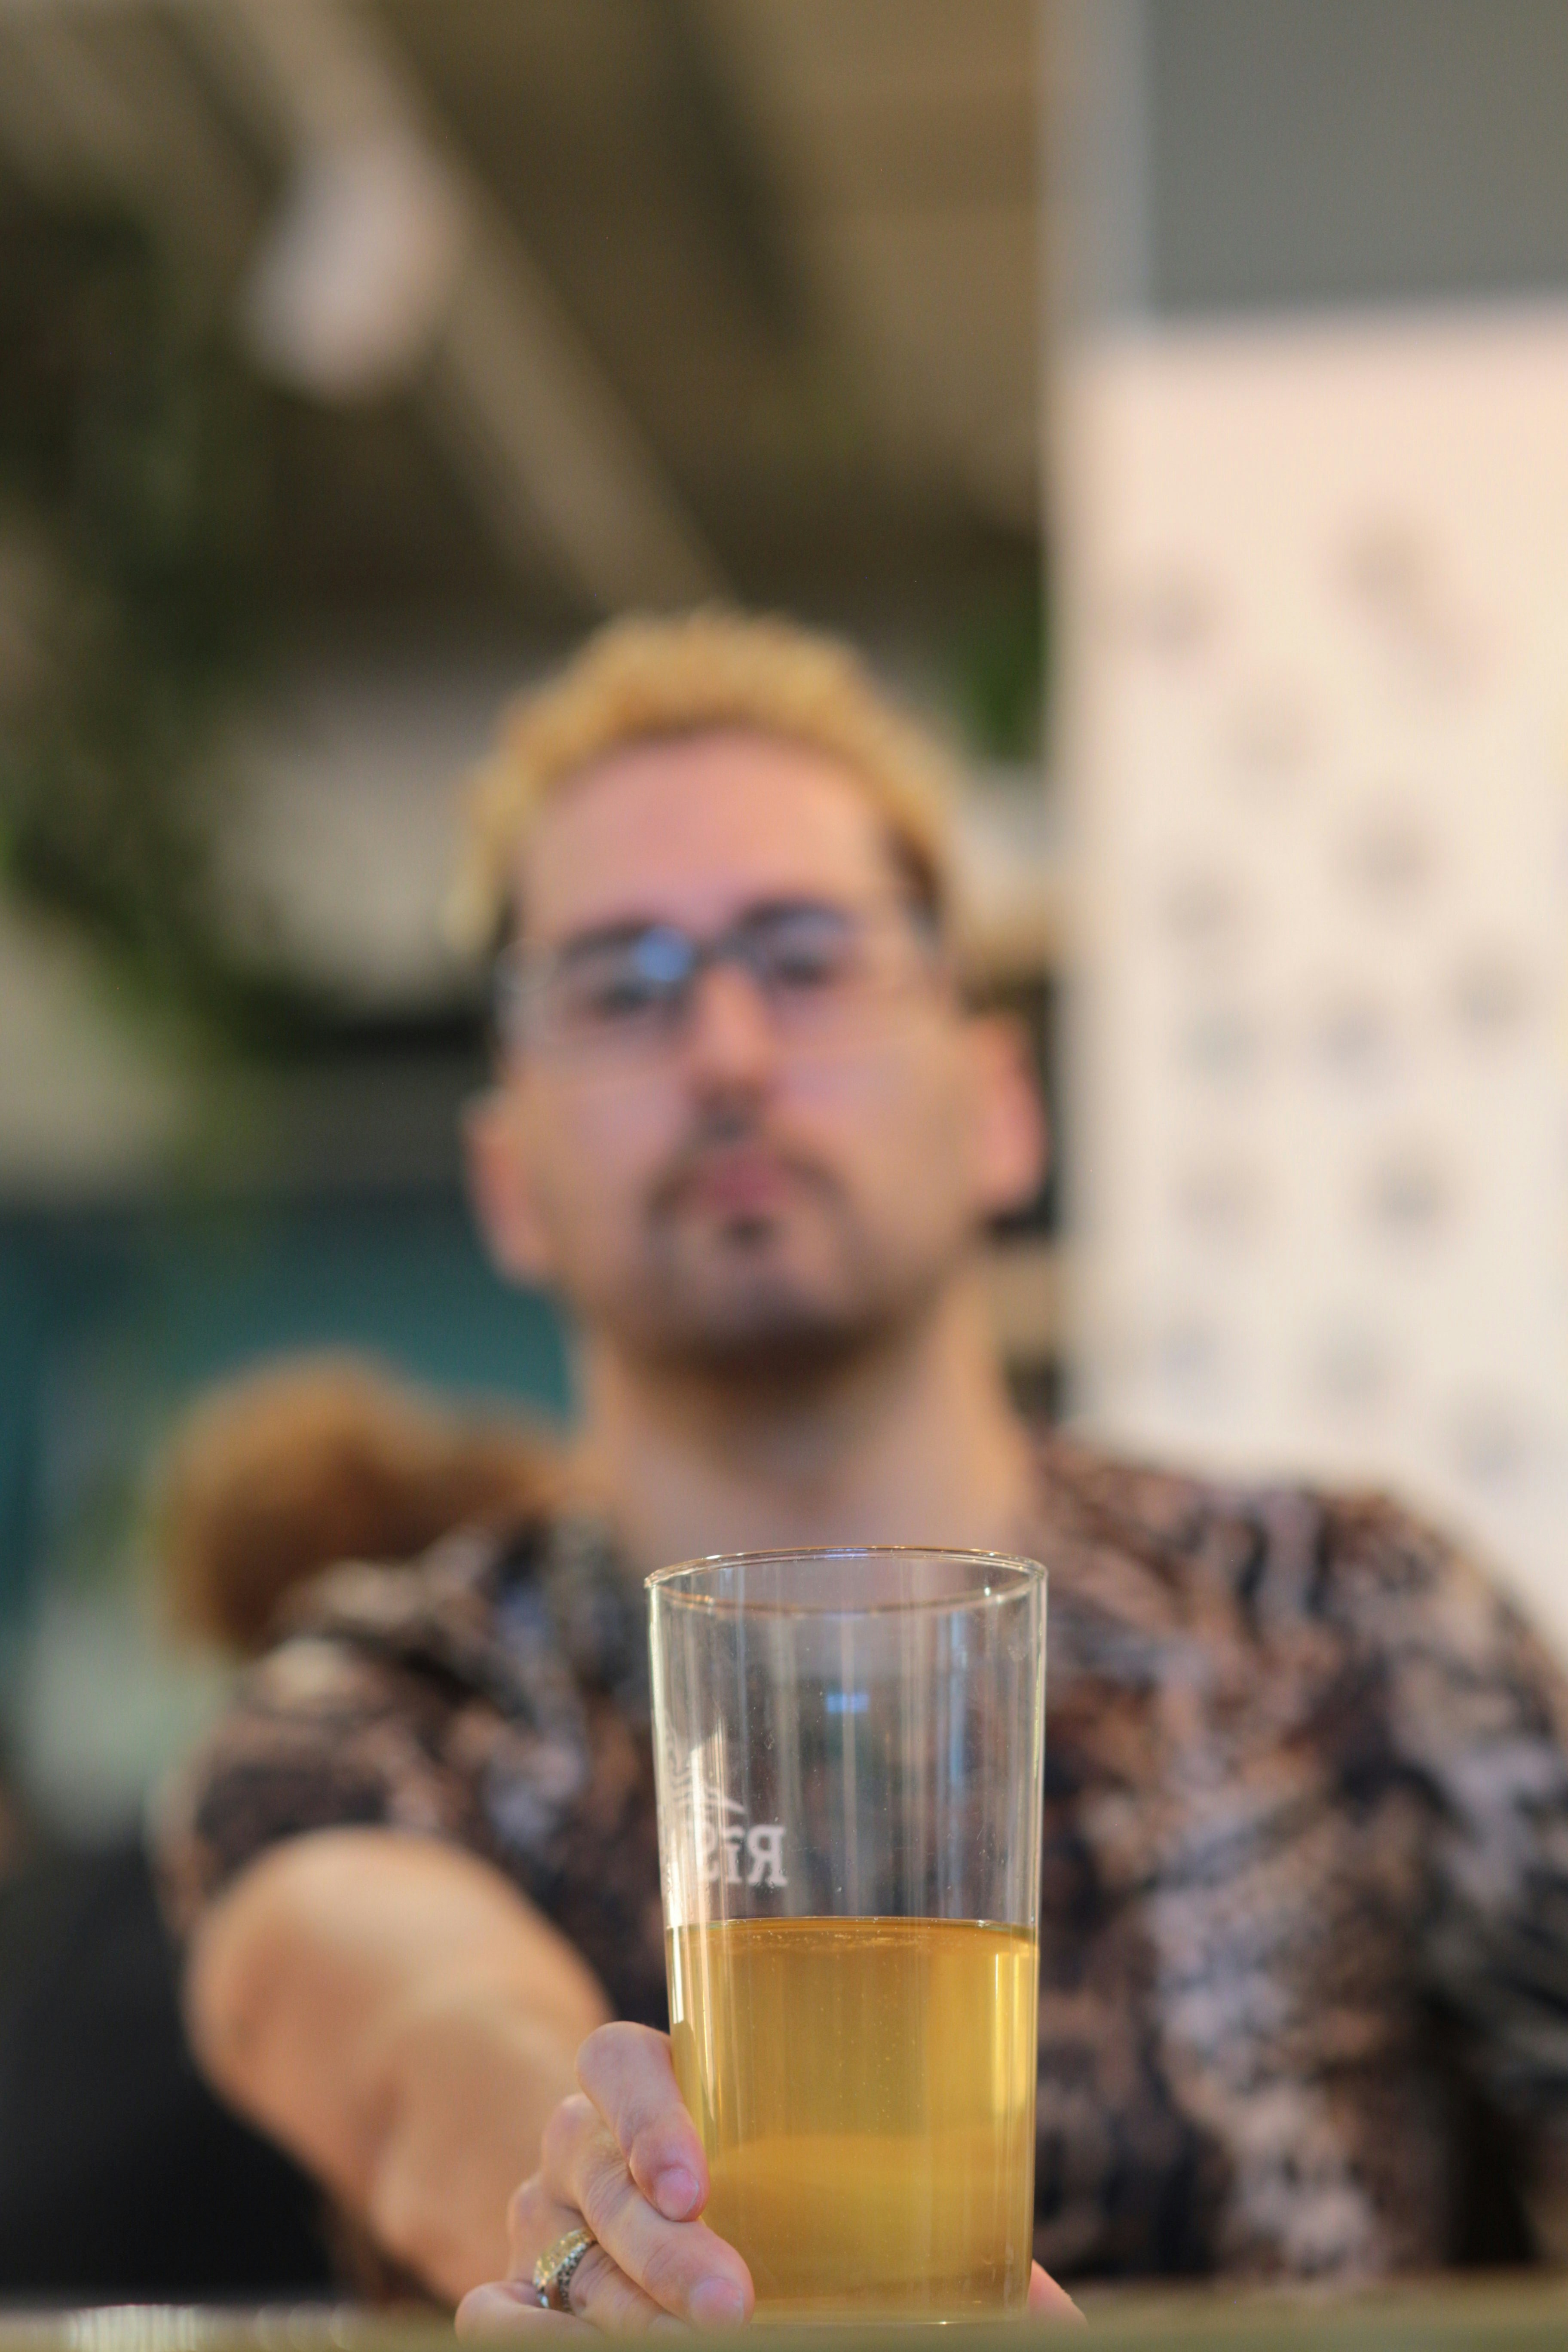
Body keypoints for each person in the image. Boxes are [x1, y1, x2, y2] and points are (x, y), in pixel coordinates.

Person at [154, 612, 1568, 2328]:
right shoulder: (387, 1693)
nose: (728, 1054)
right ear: (507, 1175)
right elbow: (398, 2012)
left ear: (998, 1102)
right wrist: (614, 2201)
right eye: (621, 986)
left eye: (806, 957)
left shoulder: (1357, 1620)